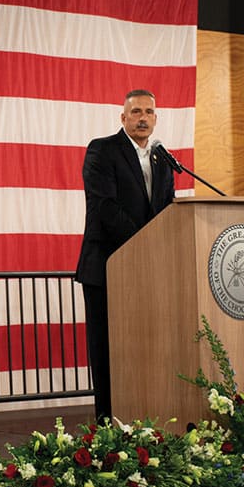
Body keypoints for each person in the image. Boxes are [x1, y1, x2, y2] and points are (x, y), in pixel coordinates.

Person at [75, 89, 176, 424]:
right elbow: (104, 206)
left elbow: (168, 209)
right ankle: (108, 421)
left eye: (149, 111)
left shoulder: (164, 159)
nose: (143, 118)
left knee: (147, 345)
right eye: (136, 112)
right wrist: (145, 242)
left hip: (150, 271)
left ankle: (145, 417)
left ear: (156, 118)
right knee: (107, 349)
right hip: (107, 267)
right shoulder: (102, 150)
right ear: (123, 117)